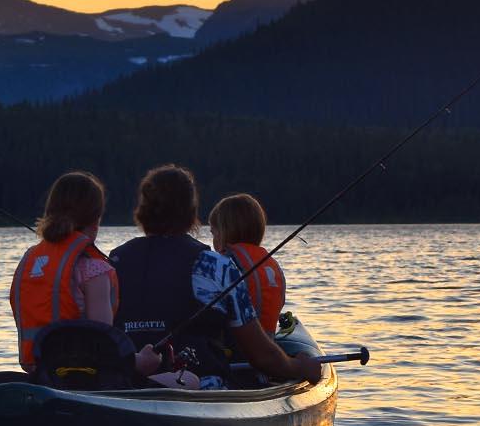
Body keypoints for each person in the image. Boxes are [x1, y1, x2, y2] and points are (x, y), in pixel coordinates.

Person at [109, 165, 327, 386]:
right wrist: (300, 367)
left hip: (125, 383)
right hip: (199, 386)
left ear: (142, 210)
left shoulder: (114, 261)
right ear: (191, 211)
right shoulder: (213, 265)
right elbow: (262, 356)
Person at [8, 171, 118, 372]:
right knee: (186, 378)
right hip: (86, 375)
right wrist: (139, 359)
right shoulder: (94, 270)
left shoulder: (30, 262)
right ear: (95, 219)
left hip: (39, 370)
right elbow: (104, 345)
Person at [208, 193, 286, 336]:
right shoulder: (272, 265)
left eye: (213, 233)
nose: (213, 241)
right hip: (267, 344)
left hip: (234, 348)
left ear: (225, 232)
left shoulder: (225, 264)